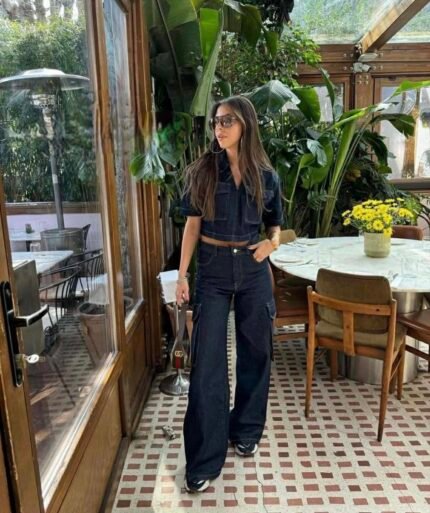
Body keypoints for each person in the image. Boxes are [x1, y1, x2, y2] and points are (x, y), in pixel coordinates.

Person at [176, 95, 283, 493]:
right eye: (216, 122)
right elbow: (191, 226)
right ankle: (204, 459)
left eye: (227, 121)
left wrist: (270, 245)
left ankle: (246, 430)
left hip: (253, 269)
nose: (219, 128)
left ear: (245, 125)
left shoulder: (266, 177)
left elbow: (275, 226)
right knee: (207, 363)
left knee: (256, 353)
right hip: (214, 269)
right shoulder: (203, 170)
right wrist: (182, 275)